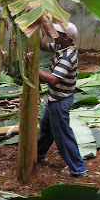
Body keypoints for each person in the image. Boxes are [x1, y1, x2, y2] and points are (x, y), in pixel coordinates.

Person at [37, 22, 87, 177]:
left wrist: (34, 68)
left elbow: (53, 80)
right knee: (46, 129)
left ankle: (78, 169)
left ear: (66, 37)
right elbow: (43, 46)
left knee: (63, 136)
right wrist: (38, 31)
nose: (53, 33)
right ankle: (38, 154)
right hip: (55, 98)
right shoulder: (61, 46)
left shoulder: (67, 56)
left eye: (56, 32)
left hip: (60, 101)